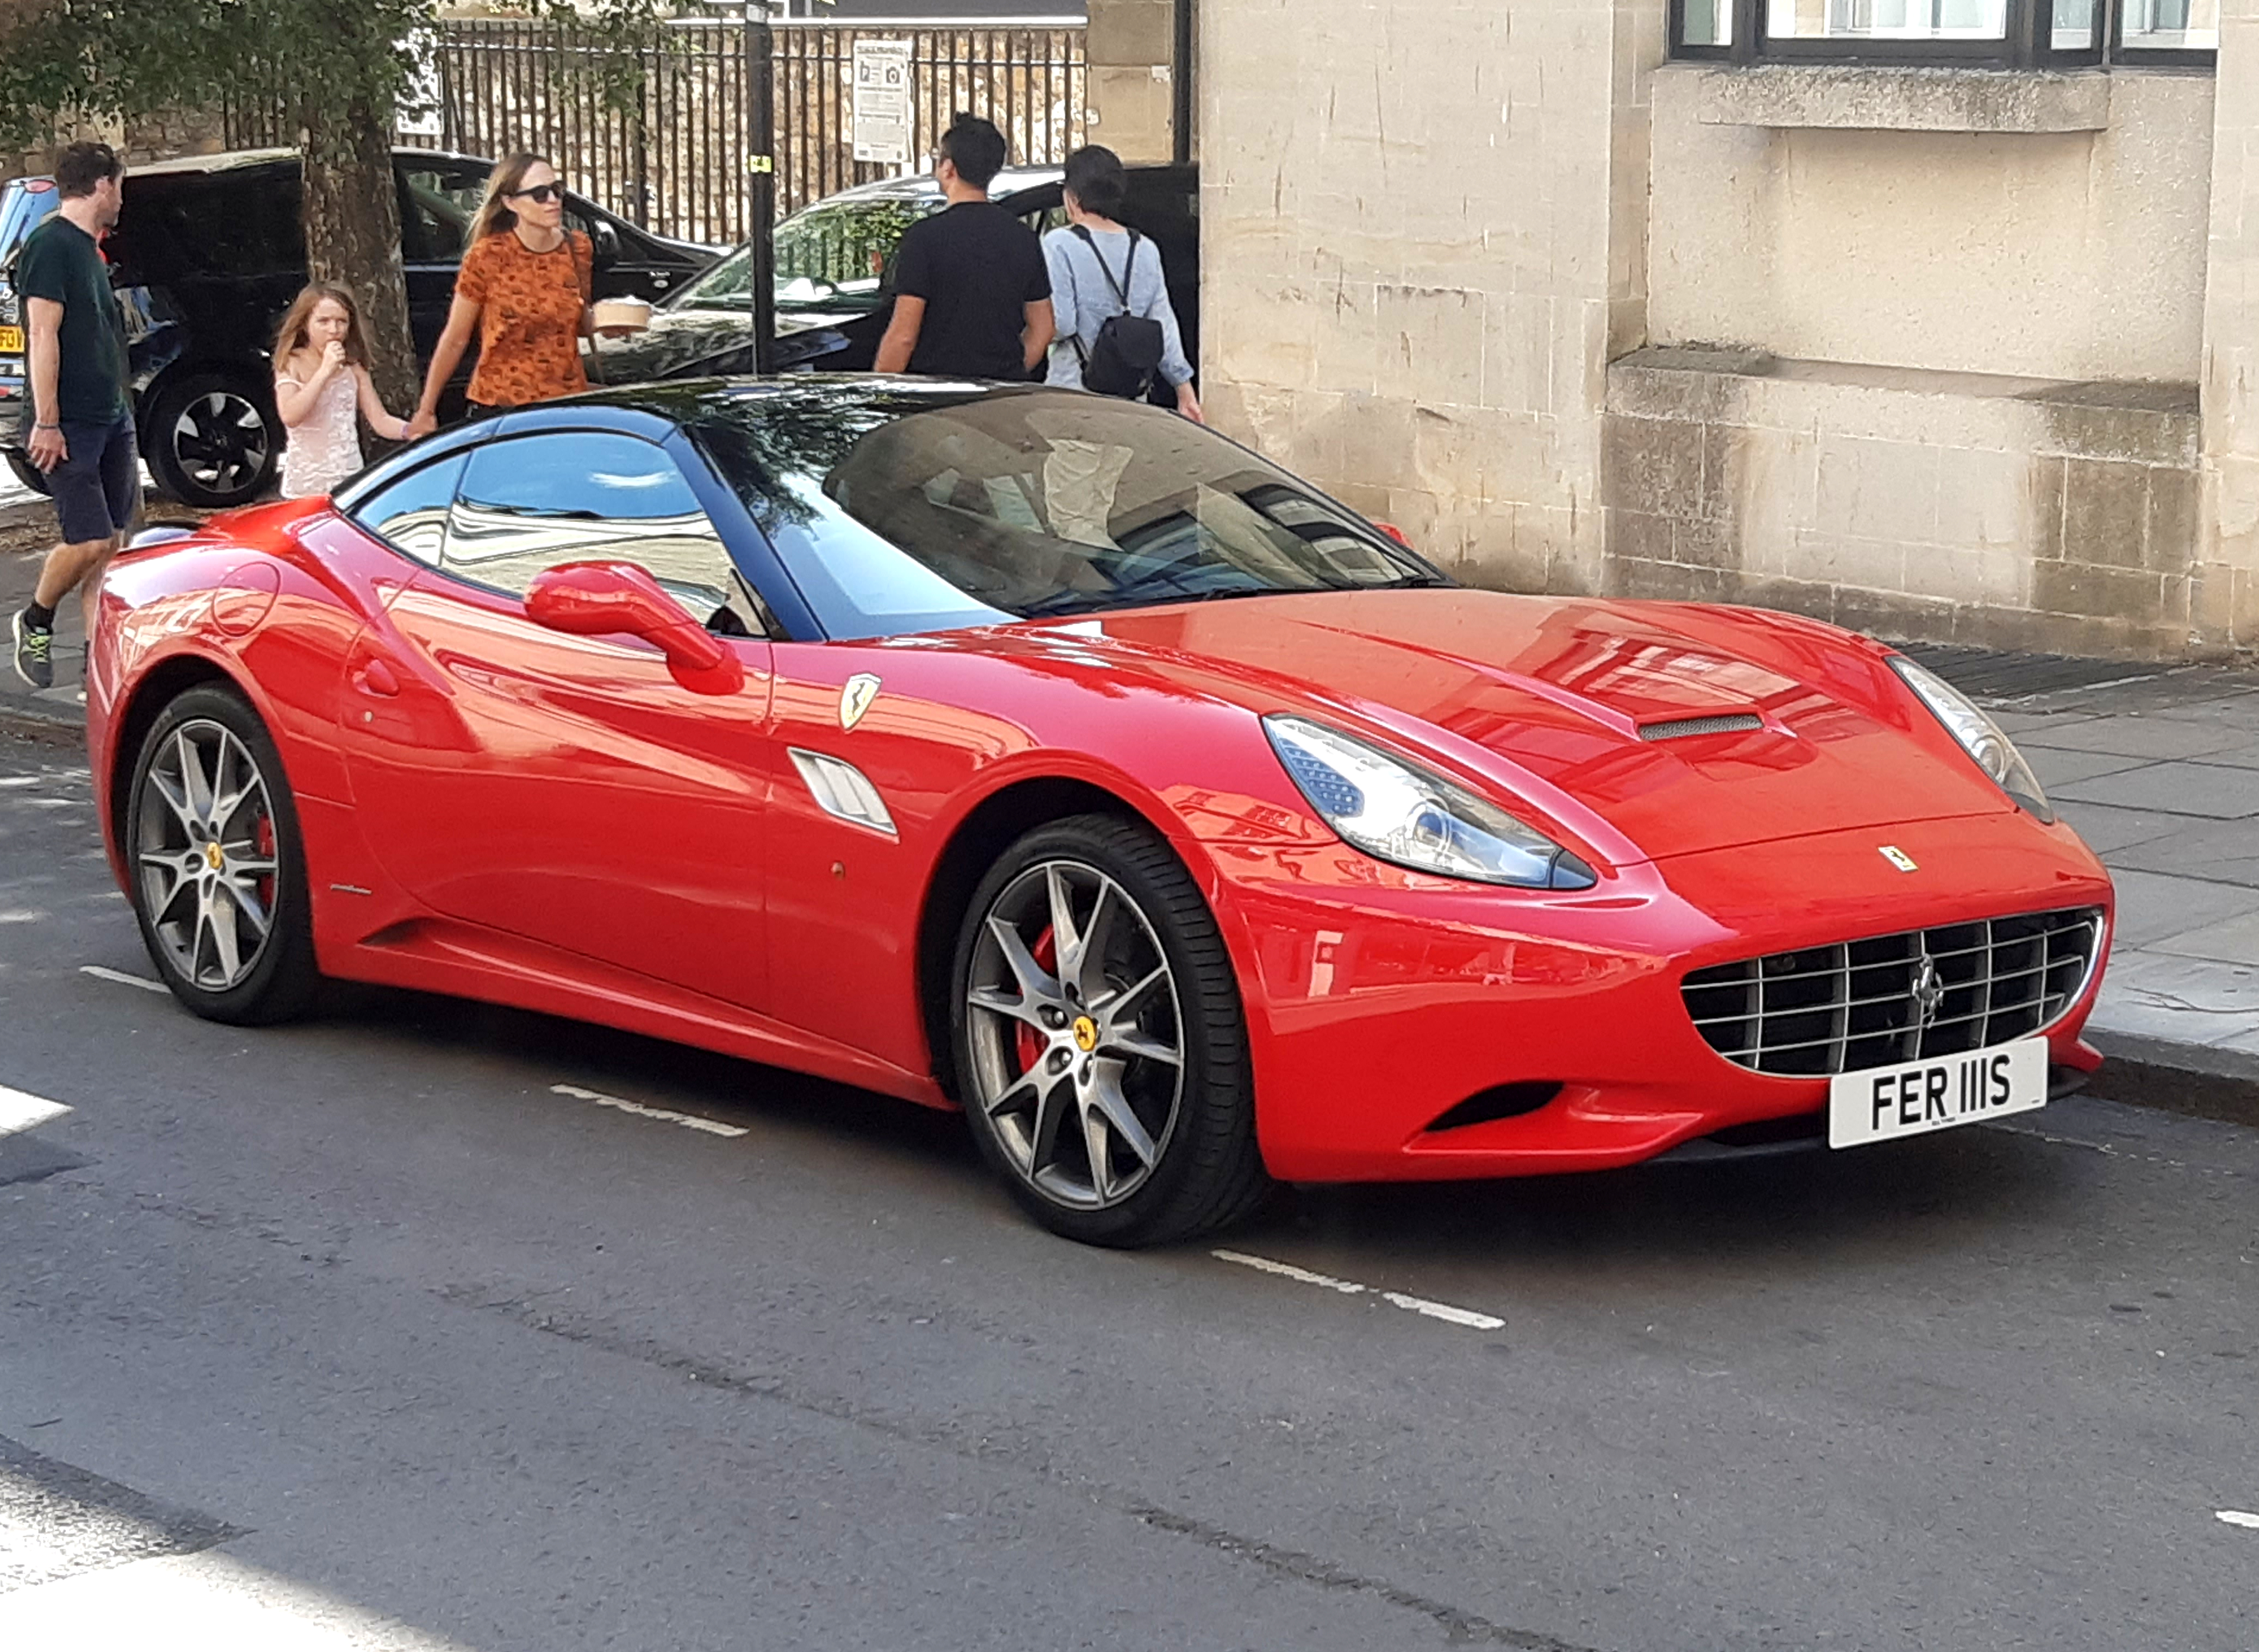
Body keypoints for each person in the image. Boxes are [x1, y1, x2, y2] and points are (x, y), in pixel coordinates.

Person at [10, 141, 130, 692]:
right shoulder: (51, 246)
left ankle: (98, 664)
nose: (121, 200)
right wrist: (48, 420)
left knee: (112, 546)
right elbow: (42, 335)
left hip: (111, 416)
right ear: (103, 185)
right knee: (88, 541)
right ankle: (35, 616)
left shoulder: (88, 247)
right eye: (120, 187)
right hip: (72, 422)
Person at [408, 153, 593, 437]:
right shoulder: (489, 256)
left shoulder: (577, 247)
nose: (554, 200)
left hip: (565, 406)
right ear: (510, 202)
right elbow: (456, 338)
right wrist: (426, 410)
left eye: (557, 190)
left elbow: (579, 322)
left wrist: (608, 322)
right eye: (540, 194)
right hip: (502, 405)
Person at [873, 114, 1053, 382]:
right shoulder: (1023, 237)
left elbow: (904, 336)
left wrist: (879, 386)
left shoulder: (924, 238)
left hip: (937, 394)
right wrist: (1010, 373)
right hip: (1001, 394)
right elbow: (1044, 328)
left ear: (948, 168)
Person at [1042, 146, 1200, 423]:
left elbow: (1063, 323)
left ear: (1072, 197)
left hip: (1072, 396)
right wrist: (1184, 390)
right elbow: (1164, 325)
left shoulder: (1060, 244)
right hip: (1130, 401)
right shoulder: (1145, 249)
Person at [272, 284, 409, 500]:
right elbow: (291, 415)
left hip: (347, 476)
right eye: (323, 322)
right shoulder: (291, 363)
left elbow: (380, 420)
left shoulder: (354, 368)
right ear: (306, 324)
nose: (333, 330)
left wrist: (411, 430)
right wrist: (325, 371)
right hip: (306, 481)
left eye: (341, 322)